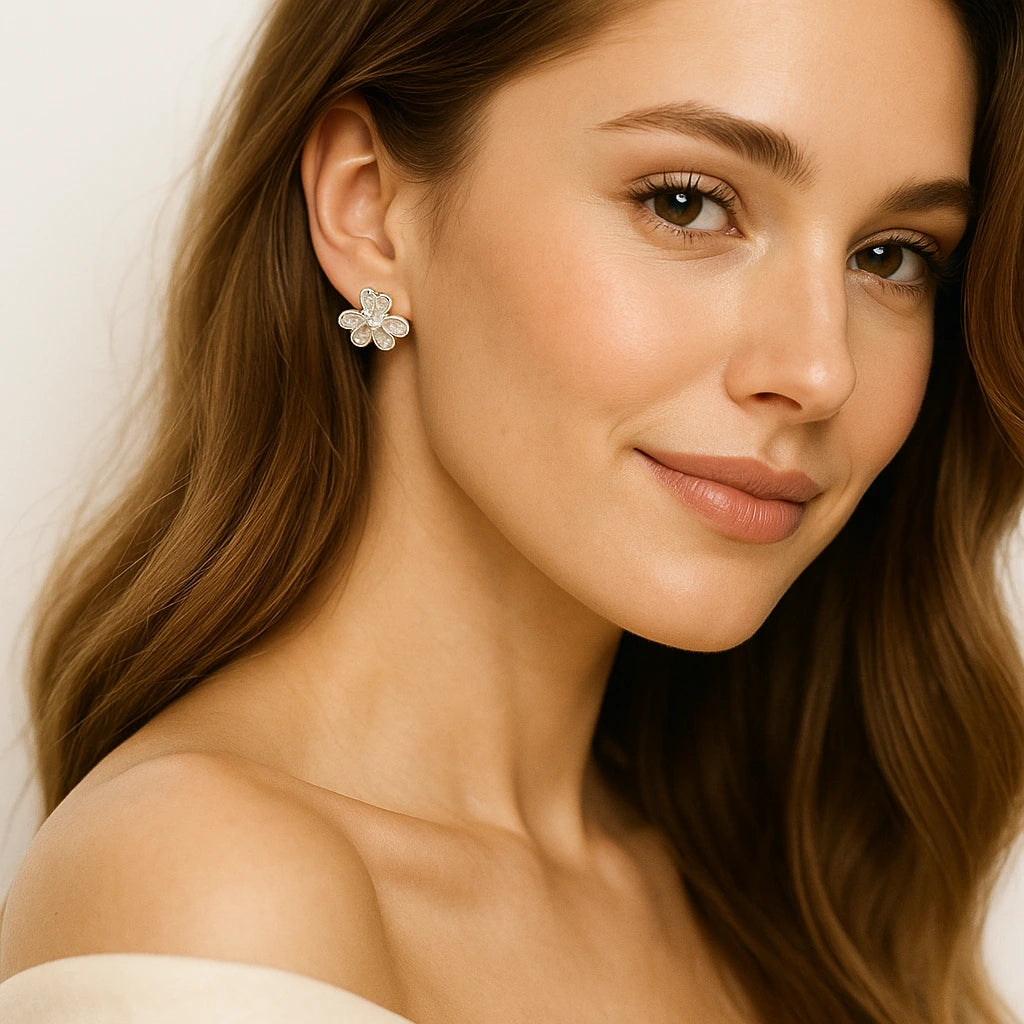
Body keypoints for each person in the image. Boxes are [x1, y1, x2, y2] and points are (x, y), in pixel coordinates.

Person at [1, 0, 1023, 1020]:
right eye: (684, 203)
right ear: (368, 207)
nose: (817, 368)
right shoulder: (212, 888)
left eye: (890, 256)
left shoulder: (774, 886)